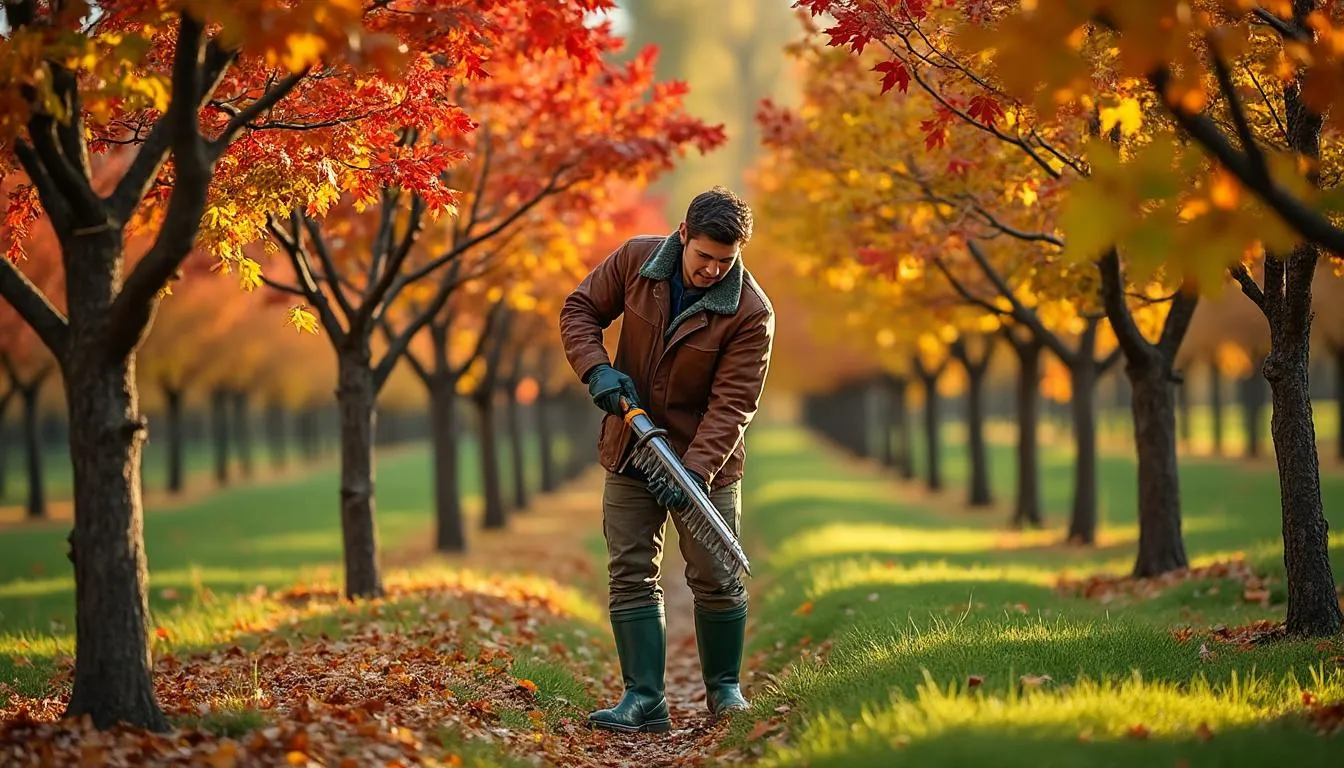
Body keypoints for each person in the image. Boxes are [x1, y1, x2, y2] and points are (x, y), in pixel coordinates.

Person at [558, 185, 775, 733]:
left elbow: (733, 405)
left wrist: (693, 473)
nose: (713, 270)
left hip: (706, 463)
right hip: (631, 447)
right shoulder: (636, 260)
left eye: (726, 260)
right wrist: (596, 370)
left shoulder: (751, 312)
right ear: (683, 235)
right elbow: (579, 309)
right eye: (704, 256)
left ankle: (724, 691)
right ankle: (644, 700)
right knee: (630, 571)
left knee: (717, 575)